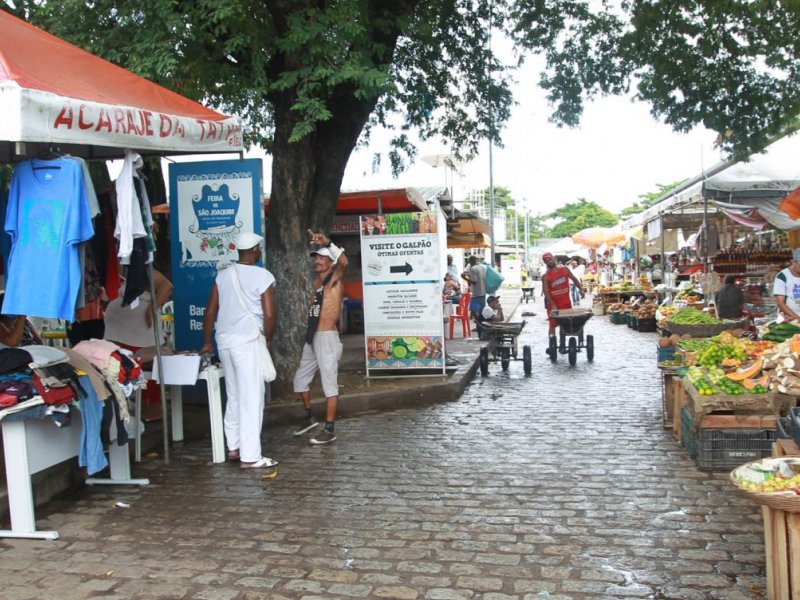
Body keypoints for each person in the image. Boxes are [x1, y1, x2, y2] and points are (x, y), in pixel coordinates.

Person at [201, 232, 277, 469]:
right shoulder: (263, 276)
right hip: (247, 341)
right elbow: (270, 313)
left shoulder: (223, 276)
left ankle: (233, 446)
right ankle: (251, 456)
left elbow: (210, 311)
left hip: (224, 342)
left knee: (233, 395)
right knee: (252, 397)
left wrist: (207, 341)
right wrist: (269, 339)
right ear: (256, 250)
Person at [292, 230, 348, 445]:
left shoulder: (334, 278)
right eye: (316, 257)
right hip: (313, 335)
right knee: (300, 380)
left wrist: (329, 243)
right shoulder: (316, 282)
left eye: (322, 257)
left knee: (329, 384)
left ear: (330, 261)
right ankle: (308, 417)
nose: (318, 261)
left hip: (327, 337)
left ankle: (330, 428)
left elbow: (344, 263)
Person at [103, 269, 173, 353]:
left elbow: (167, 287)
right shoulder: (127, 269)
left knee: (142, 358)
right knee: (120, 358)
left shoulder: (146, 270)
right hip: (120, 326)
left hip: (139, 325)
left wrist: (151, 309)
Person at [542, 252, 584, 343]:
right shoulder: (545, 276)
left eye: (549, 259)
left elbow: (574, 279)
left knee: (564, 324)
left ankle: (562, 344)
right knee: (552, 325)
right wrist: (553, 304)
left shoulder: (565, 270)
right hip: (553, 305)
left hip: (565, 303)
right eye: (546, 260)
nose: (549, 261)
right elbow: (546, 291)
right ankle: (552, 343)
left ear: (554, 258)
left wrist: (580, 289)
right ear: (545, 263)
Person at [773, 249, 800, 323]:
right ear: (793, 262)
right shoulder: (783, 276)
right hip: (789, 318)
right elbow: (780, 302)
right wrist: (797, 319)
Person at [462, 255, 487, 321]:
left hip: (476, 293)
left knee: (473, 311)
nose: (469, 263)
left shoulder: (473, 269)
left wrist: (464, 278)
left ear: (471, 261)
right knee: (481, 312)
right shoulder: (483, 267)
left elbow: (475, 282)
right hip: (483, 292)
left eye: (469, 261)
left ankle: (480, 325)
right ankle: (481, 326)